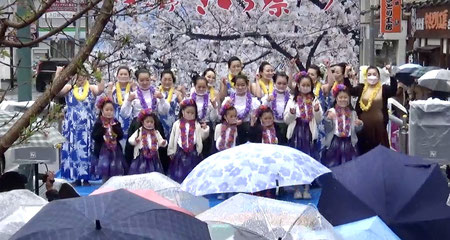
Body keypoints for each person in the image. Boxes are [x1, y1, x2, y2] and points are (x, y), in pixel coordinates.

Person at [58, 64, 104, 186]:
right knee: (74, 150)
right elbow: (57, 90)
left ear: (87, 77)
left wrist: (98, 74)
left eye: (83, 76)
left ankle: (87, 177)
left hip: (88, 125)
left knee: (88, 150)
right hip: (72, 126)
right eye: (78, 76)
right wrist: (59, 73)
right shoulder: (69, 88)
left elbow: (101, 89)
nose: (80, 78)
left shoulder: (91, 88)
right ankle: (76, 177)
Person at [284, 73, 323, 199]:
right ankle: (296, 188)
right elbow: (286, 120)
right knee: (296, 161)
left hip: (309, 132)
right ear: (298, 86)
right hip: (296, 132)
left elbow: (318, 119)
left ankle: (307, 188)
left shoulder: (314, 100)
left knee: (308, 160)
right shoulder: (292, 100)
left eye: (308, 85)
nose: (305, 87)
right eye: (303, 85)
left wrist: (316, 110)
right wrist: (291, 114)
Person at [121, 68, 169, 168]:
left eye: (147, 80)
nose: (145, 82)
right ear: (137, 81)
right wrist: (128, 101)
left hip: (154, 124)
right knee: (135, 149)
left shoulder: (156, 93)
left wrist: (162, 99)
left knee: (159, 148)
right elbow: (124, 114)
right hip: (138, 124)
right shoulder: (132, 94)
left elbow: (164, 112)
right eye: (141, 80)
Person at [348, 65, 397, 154]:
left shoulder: (383, 89)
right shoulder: (361, 88)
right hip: (363, 130)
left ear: (378, 76)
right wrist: (346, 75)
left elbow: (393, 90)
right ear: (366, 76)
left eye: (374, 74)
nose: (372, 76)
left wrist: (391, 73)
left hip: (379, 129)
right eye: (369, 74)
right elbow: (349, 91)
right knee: (364, 155)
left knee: (381, 155)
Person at [168, 99, 209, 183]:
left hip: (193, 152)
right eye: (188, 112)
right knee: (179, 172)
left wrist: (205, 129)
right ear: (183, 112)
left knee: (192, 172)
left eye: (192, 113)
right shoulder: (177, 124)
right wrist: (171, 151)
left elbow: (202, 137)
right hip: (180, 152)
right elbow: (172, 138)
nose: (190, 115)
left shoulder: (197, 125)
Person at [322, 84, 363, 167]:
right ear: (336, 98)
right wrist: (328, 119)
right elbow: (327, 128)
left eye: (345, 97)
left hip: (349, 143)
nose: (343, 100)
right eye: (340, 97)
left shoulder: (352, 113)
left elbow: (356, 130)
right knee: (334, 165)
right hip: (335, 143)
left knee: (349, 166)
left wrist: (359, 124)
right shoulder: (331, 111)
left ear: (349, 99)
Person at [91, 97, 126, 183]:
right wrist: (103, 129)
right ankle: (105, 186)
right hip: (103, 151)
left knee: (116, 172)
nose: (109, 112)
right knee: (105, 172)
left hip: (115, 151)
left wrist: (114, 128)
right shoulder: (99, 123)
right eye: (107, 110)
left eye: (111, 110)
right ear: (102, 111)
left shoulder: (116, 122)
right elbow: (94, 136)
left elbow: (121, 135)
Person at [222, 74, 260, 145]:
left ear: (246, 85)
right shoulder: (229, 100)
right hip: (233, 129)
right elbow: (221, 116)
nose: (240, 87)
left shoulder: (253, 101)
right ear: (234, 85)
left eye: (243, 85)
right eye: (238, 85)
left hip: (249, 128)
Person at [128, 109, 167, 174]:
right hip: (141, 156)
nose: (149, 124)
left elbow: (161, 141)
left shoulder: (156, 132)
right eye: (147, 122)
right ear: (143, 122)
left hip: (154, 156)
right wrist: (135, 141)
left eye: (151, 122)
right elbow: (130, 140)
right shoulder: (139, 131)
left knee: (154, 172)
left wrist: (163, 143)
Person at [105, 66, 134, 149]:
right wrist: (109, 91)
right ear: (117, 76)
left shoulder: (133, 88)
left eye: (125, 74)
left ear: (129, 76)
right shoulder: (113, 88)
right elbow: (109, 103)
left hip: (129, 115)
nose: (123, 76)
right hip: (116, 116)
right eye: (121, 74)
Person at [191, 76, 219, 157]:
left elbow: (213, 118)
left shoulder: (210, 100)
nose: (201, 89)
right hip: (193, 126)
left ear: (207, 87)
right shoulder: (189, 99)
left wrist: (214, 106)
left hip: (206, 126)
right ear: (194, 86)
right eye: (199, 87)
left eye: (203, 87)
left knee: (206, 152)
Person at [261, 71, 290, 145]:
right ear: (274, 83)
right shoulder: (269, 96)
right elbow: (262, 108)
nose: (281, 86)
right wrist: (268, 100)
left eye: (284, 84)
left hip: (287, 125)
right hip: (273, 126)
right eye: (279, 83)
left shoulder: (290, 97)